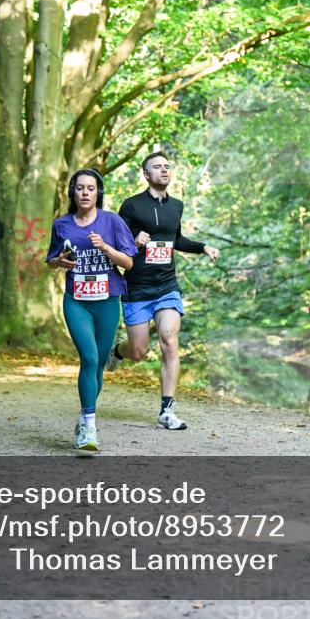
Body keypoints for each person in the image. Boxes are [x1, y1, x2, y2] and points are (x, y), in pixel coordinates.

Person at [106, 152, 219, 430]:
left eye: (167, 166)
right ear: (146, 174)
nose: (164, 170)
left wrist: (203, 247)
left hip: (167, 285)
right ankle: (118, 352)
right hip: (137, 287)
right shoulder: (131, 206)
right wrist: (134, 241)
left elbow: (176, 239)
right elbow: (115, 245)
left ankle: (166, 411)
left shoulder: (176, 206)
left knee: (169, 340)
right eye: (157, 167)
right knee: (139, 351)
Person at [46, 168, 136, 452]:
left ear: (98, 193)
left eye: (91, 188)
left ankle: (85, 415)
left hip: (107, 301)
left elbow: (129, 263)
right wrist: (59, 261)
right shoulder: (62, 224)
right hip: (77, 301)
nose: (85, 193)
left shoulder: (112, 221)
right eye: (80, 188)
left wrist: (106, 248)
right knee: (88, 356)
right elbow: (50, 259)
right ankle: (89, 426)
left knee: (98, 364)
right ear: (73, 192)